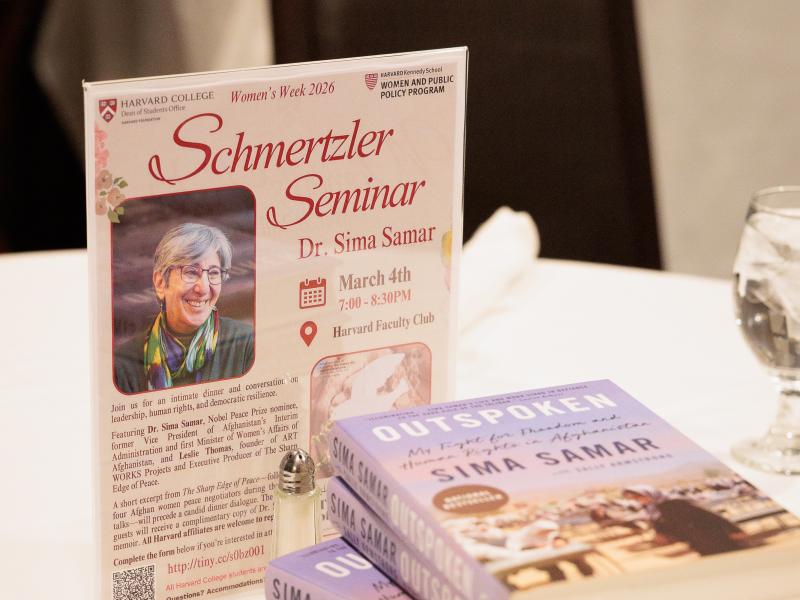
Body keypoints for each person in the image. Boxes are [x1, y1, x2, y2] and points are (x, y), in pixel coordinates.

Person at [114, 223, 254, 393]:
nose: (203, 287)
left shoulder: (247, 344)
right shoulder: (123, 365)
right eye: (191, 272)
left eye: (214, 273)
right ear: (160, 283)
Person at [622, 484, 750, 556]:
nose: (639, 500)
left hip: (712, 535)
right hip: (694, 541)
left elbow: (710, 515)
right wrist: (660, 534)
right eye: (635, 498)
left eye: (640, 496)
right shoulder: (651, 510)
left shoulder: (675, 502)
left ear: (649, 493)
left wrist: (734, 530)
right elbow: (663, 526)